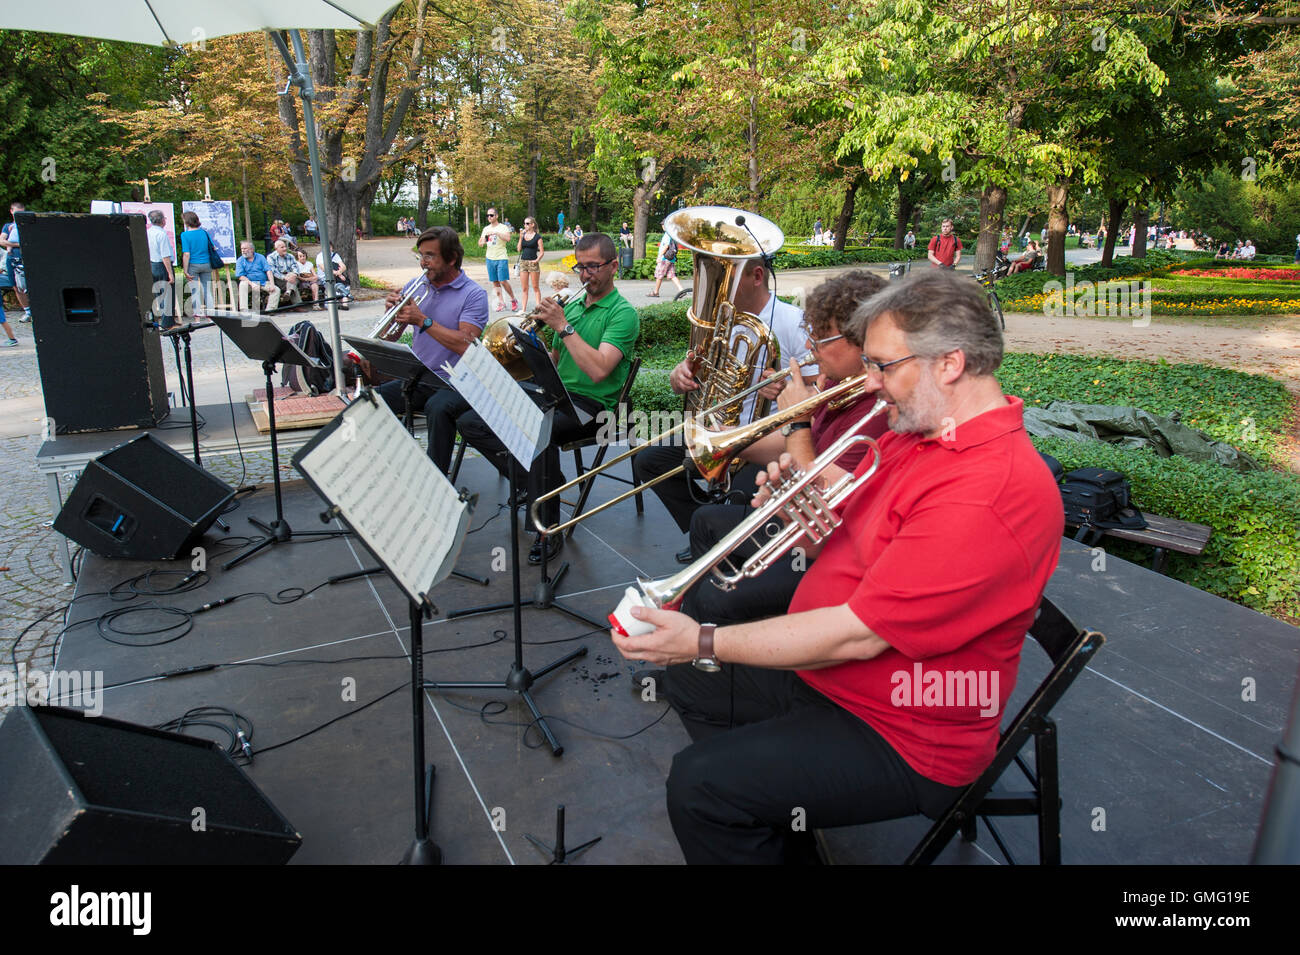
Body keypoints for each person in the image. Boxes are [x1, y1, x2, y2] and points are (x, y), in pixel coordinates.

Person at [611, 268, 1064, 864]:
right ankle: (782, 819)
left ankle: (763, 807)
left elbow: (856, 636)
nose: (873, 385)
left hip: (903, 729)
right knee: (685, 682)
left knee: (700, 786)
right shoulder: (922, 432)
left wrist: (702, 639)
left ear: (949, 363)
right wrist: (801, 502)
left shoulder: (989, 488)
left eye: (885, 366)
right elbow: (848, 542)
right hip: (835, 683)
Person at [457, 233, 638, 564]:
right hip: (557, 397)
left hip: (597, 410)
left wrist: (564, 327)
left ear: (613, 266)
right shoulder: (571, 306)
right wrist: (530, 340)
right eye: (579, 267)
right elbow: (553, 364)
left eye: (593, 267)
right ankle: (541, 482)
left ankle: (547, 527)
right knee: (472, 420)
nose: (584, 275)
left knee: (537, 429)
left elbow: (598, 371)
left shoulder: (623, 314)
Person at [633, 257, 809, 561]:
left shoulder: (792, 320)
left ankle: (717, 534)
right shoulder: (720, 318)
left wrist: (785, 387)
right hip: (714, 429)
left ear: (757, 276)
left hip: (763, 439)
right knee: (648, 462)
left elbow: (820, 390)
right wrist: (679, 376)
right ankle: (707, 533)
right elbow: (694, 372)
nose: (719, 288)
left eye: (728, 277)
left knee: (742, 492)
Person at [374, 227, 490, 473]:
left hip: (458, 381)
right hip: (422, 377)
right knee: (372, 401)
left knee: (438, 409)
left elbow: (465, 344)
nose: (424, 263)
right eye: (421, 256)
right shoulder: (416, 286)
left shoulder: (473, 294)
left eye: (430, 256)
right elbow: (390, 337)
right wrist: (390, 315)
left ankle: (436, 479)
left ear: (451, 258)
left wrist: (423, 321)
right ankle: (385, 470)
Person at [478, 207, 518, 313]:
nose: (489, 217)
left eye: (491, 215)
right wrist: (483, 241)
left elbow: (508, 238)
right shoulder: (486, 229)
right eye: (488, 215)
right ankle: (501, 302)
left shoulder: (503, 227)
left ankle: (513, 299)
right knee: (495, 282)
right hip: (490, 257)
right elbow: (481, 242)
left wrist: (496, 233)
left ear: (496, 216)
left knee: (503, 280)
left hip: (501, 257)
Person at [180, 211, 216, 319]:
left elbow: (186, 254)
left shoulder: (185, 235)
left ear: (186, 221)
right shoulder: (204, 233)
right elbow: (213, 248)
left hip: (193, 265)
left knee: (195, 290)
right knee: (207, 290)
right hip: (207, 264)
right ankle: (211, 316)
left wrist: (185, 270)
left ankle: (197, 316)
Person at [0, 202, 31, 323]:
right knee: (16, 285)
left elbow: (28, 243)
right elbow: (2, 241)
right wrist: (13, 244)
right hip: (11, 258)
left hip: (24, 257)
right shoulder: (8, 226)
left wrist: (11, 245)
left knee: (28, 285)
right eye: (17, 213)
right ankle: (27, 311)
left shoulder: (27, 226)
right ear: (11, 212)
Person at [145, 211, 176, 329]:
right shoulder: (162, 234)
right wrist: (170, 273)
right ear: (162, 220)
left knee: (159, 295)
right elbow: (165, 255)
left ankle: (163, 321)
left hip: (152, 265)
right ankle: (168, 324)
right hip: (162, 265)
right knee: (167, 295)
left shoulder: (147, 233)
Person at [236, 240, 279, 312]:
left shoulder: (260, 257)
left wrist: (272, 284)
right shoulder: (240, 260)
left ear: (252, 249)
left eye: (245, 248)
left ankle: (269, 310)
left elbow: (268, 271)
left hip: (263, 282)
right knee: (242, 284)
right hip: (249, 283)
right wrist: (252, 284)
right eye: (242, 249)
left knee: (276, 290)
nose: (243, 251)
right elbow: (241, 276)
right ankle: (244, 310)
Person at [516, 216, 544, 313]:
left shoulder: (537, 237)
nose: (525, 225)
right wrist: (520, 237)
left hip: (533, 263)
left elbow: (541, 252)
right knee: (524, 288)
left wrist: (537, 260)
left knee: (535, 287)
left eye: (527, 223)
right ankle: (523, 309)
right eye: (524, 223)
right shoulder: (523, 236)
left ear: (532, 225)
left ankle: (538, 308)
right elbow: (519, 249)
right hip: (523, 262)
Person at [267, 239, 301, 308]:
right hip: (279, 279)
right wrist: (284, 277)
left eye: (285, 247)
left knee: (293, 279)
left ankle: (288, 292)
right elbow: (273, 271)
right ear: (276, 249)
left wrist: (294, 274)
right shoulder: (271, 257)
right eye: (282, 247)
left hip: (291, 277)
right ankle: (298, 305)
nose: (285, 249)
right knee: (292, 281)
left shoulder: (290, 256)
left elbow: (295, 267)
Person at [650, 231, 684, 297]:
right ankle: (681, 290)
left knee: (659, 275)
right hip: (671, 258)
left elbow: (666, 246)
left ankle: (656, 292)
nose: (662, 226)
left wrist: (659, 256)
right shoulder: (673, 234)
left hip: (665, 258)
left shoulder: (667, 234)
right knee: (672, 275)